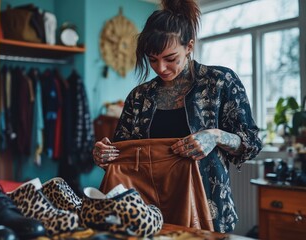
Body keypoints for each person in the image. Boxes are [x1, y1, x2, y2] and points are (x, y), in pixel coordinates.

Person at [92, 0, 262, 233]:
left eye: (170, 58)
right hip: (147, 217)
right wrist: (104, 155)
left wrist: (215, 136)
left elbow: (251, 143)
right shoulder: (139, 97)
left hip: (209, 212)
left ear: (189, 46)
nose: (160, 68)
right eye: (152, 59)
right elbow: (124, 158)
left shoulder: (220, 82)